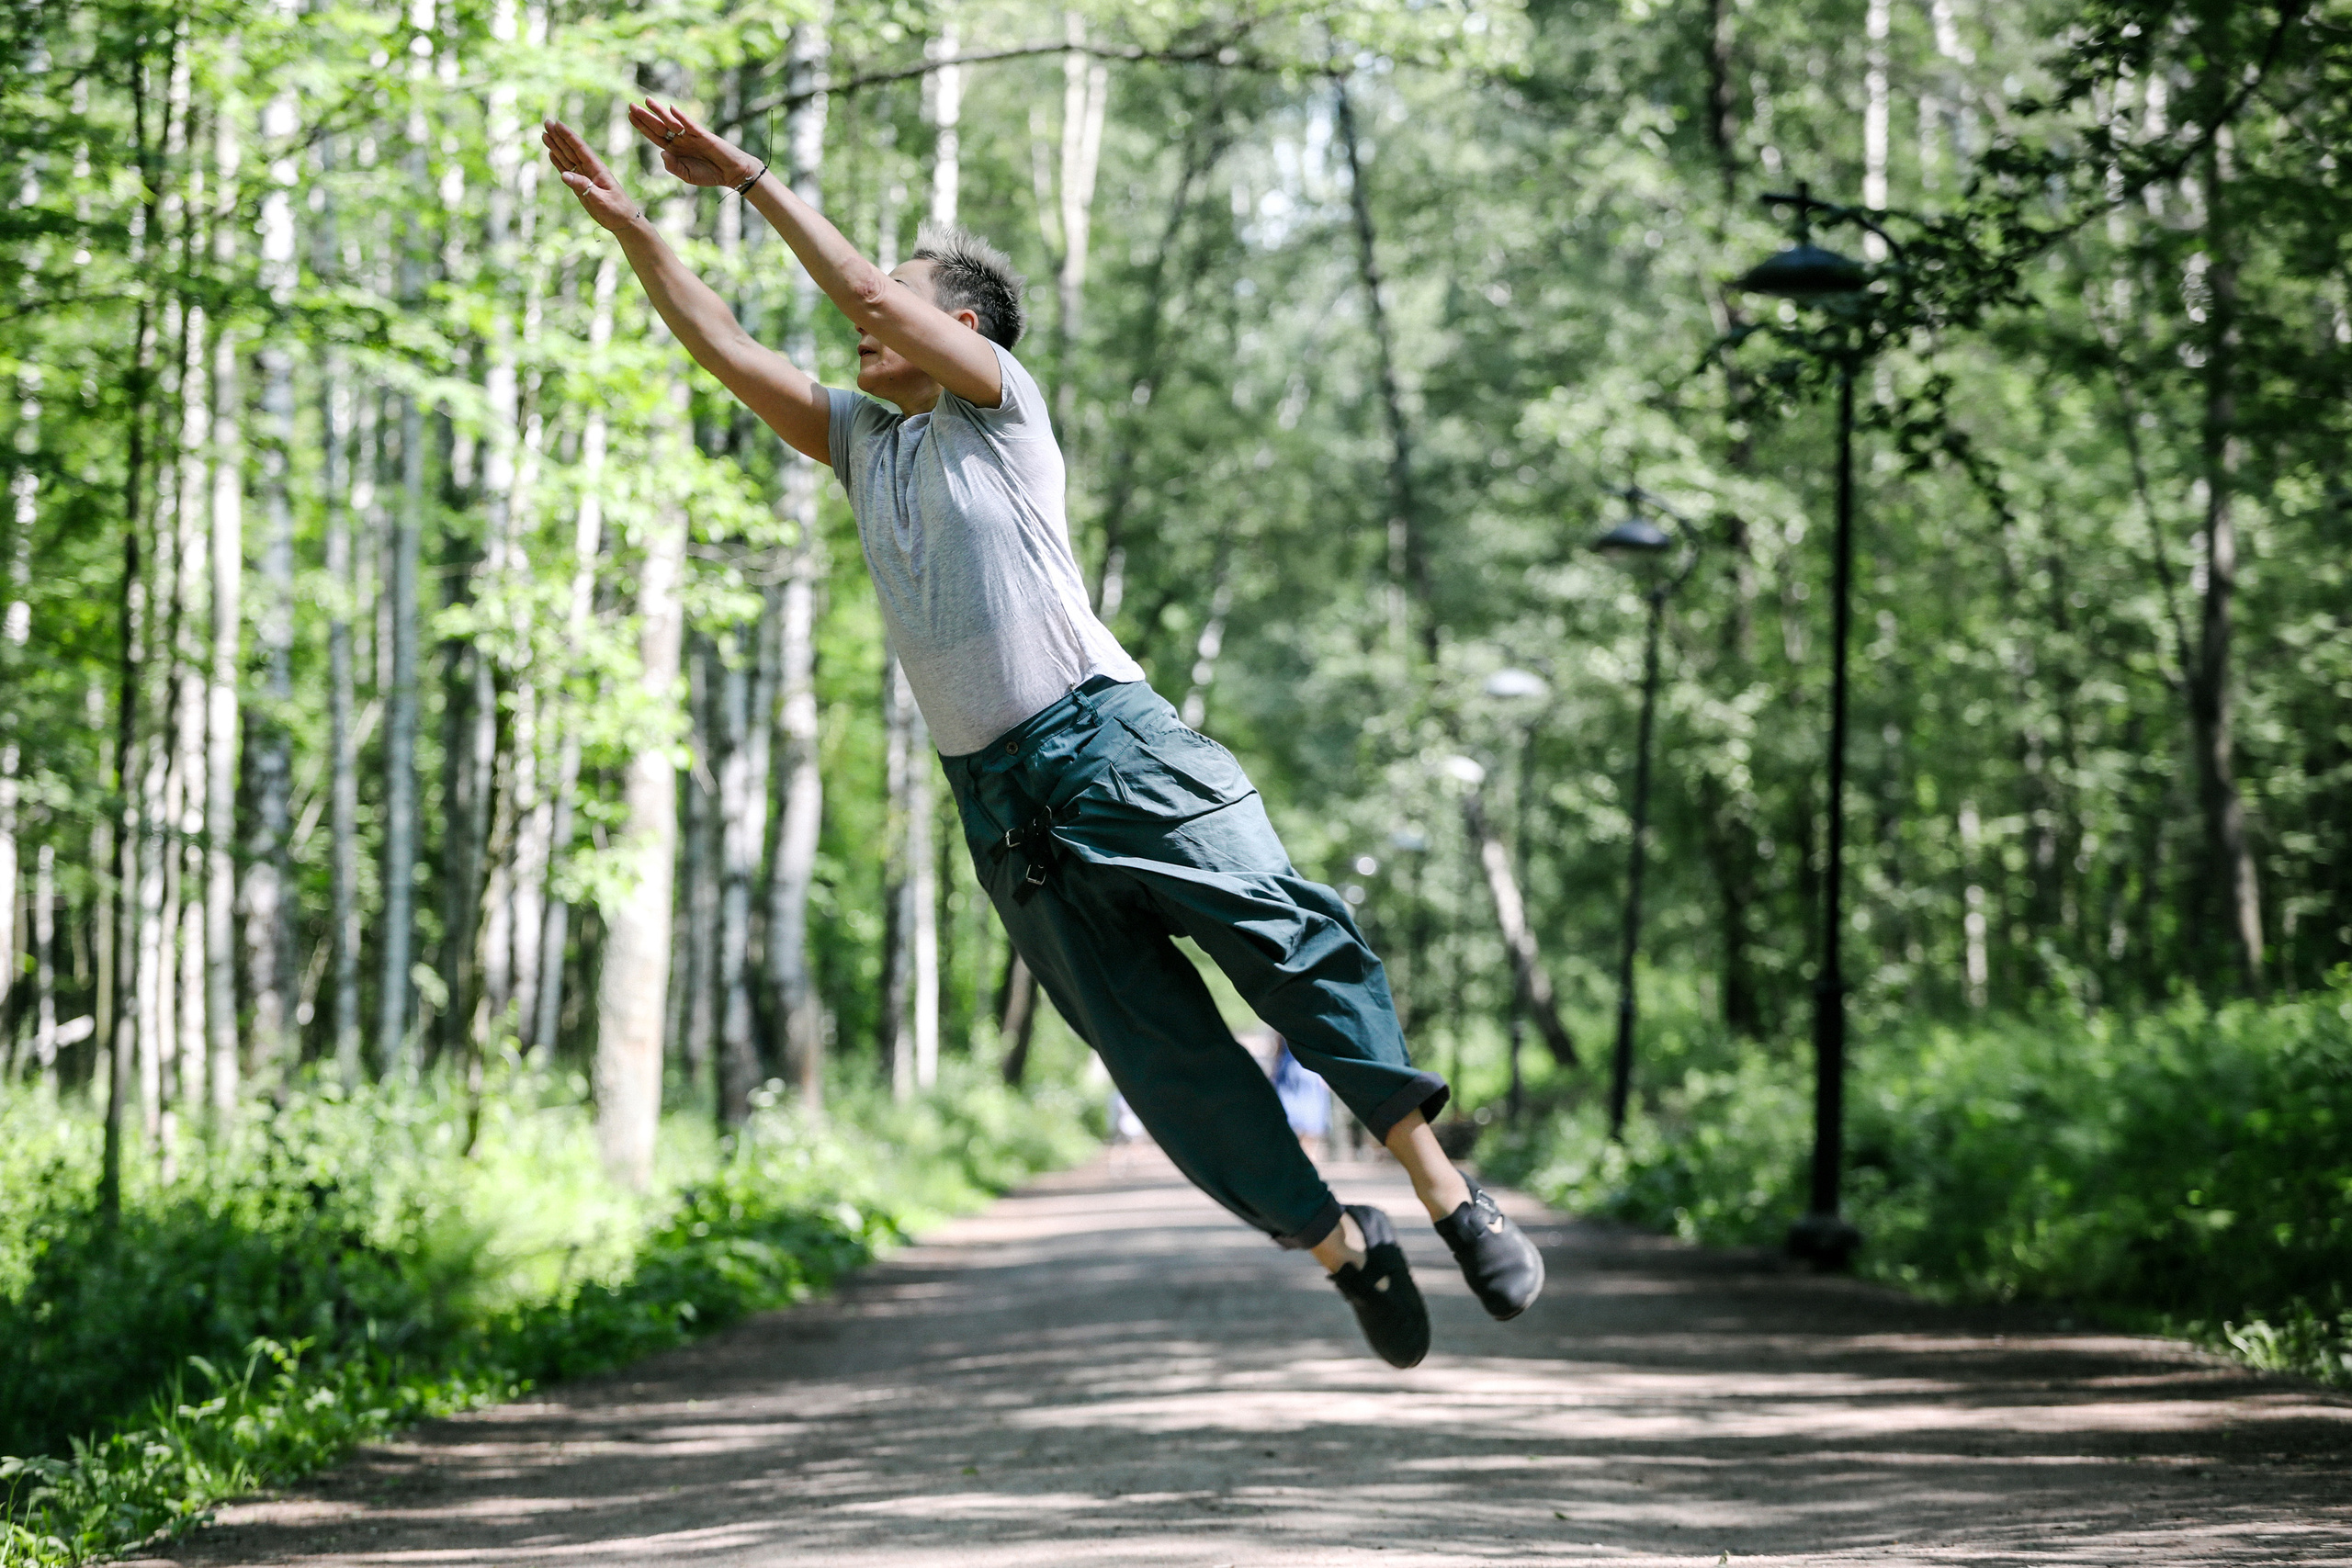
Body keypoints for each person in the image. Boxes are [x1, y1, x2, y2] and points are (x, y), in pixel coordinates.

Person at [540, 101, 1544, 1368]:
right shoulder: (865, 448)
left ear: (955, 331)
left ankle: (1447, 1193)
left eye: (892, 299)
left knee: (1287, 939)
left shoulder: (1000, 414)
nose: (862, 315)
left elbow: (852, 280)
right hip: (1005, 811)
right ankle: (1344, 1246)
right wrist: (638, 235)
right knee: (1163, 1063)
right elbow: (730, 349)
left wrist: (746, 179)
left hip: (1115, 750)